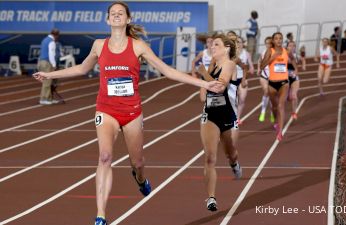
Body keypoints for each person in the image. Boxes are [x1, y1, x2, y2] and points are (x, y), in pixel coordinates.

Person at [33, 2, 223, 225]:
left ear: (128, 19)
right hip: (106, 110)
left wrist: (205, 84)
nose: (116, 15)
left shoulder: (138, 46)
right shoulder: (98, 45)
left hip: (132, 112)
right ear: (107, 20)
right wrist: (50, 74)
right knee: (104, 157)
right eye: (112, 13)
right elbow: (81, 69)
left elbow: (167, 71)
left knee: (138, 162)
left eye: (120, 13)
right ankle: (101, 215)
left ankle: (141, 179)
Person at [196, 34, 242, 212]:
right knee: (210, 157)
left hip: (228, 115)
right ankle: (211, 198)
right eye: (211, 44)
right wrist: (203, 82)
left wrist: (203, 73)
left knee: (231, 152)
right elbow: (204, 93)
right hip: (210, 115)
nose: (212, 47)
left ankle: (234, 163)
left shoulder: (230, 65)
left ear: (227, 48)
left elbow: (220, 86)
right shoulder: (213, 63)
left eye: (216, 44)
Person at [260, 32, 289, 141]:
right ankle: (277, 122)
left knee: (281, 106)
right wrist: (272, 58)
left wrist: (295, 70)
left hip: (284, 83)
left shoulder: (286, 51)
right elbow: (262, 66)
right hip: (272, 83)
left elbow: (293, 61)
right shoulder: (269, 51)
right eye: (276, 38)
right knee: (275, 107)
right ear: (273, 40)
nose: (278, 40)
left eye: (280, 38)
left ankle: (280, 131)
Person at [37, 28, 62, 105]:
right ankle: (44, 99)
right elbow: (51, 55)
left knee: (48, 81)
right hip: (47, 63)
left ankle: (49, 98)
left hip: (41, 62)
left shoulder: (44, 40)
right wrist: (54, 65)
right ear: (56, 35)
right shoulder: (51, 42)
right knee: (47, 81)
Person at [235, 36, 254, 124]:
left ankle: (237, 118)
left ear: (243, 44)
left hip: (243, 78)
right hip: (232, 79)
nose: (238, 44)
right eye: (237, 42)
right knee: (232, 99)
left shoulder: (246, 54)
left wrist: (251, 68)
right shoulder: (231, 54)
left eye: (240, 42)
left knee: (242, 99)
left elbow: (250, 65)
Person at [257, 36, 274, 123]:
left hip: (273, 77)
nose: (268, 45)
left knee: (272, 95)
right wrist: (259, 69)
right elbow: (259, 60)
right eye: (267, 43)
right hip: (264, 76)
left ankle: (272, 113)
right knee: (266, 91)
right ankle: (263, 111)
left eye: (270, 43)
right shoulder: (263, 52)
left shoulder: (275, 52)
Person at [191, 35, 213, 102]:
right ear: (206, 44)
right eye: (208, 42)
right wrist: (193, 73)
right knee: (203, 99)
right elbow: (193, 61)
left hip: (214, 77)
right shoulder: (203, 53)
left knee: (215, 98)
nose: (210, 43)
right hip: (204, 77)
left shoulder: (217, 53)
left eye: (211, 41)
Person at [286, 41, 300, 120]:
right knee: (288, 98)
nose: (291, 47)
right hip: (285, 78)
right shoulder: (283, 55)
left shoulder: (296, 56)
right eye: (290, 45)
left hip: (294, 77)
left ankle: (294, 112)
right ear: (287, 47)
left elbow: (296, 61)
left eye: (293, 46)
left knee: (294, 95)